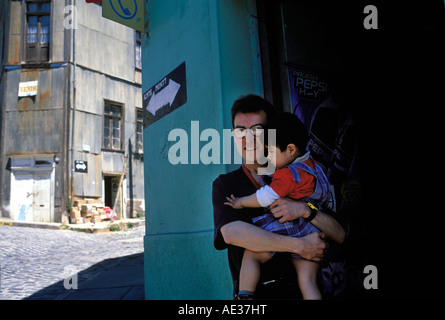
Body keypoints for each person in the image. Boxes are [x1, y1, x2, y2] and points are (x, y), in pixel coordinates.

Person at [212, 94, 345, 299]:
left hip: (300, 290)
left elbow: (340, 234)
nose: (248, 139)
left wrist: (306, 211)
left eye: (257, 130)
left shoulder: (302, 176)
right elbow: (232, 234)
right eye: (240, 131)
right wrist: (299, 245)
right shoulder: (225, 185)